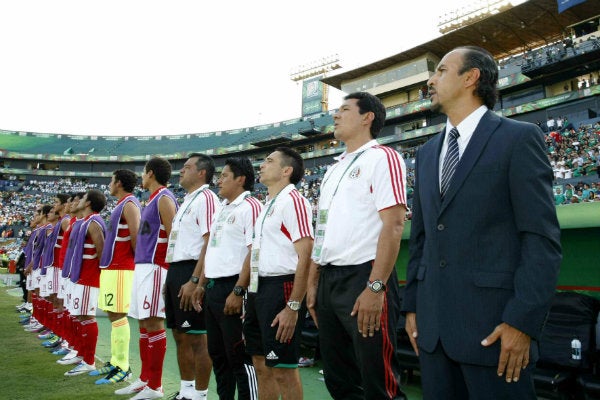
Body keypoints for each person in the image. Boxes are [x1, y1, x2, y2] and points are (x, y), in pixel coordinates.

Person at [402, 46, 562, 399]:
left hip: (496, 332)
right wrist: (412, 306)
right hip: (433, 334)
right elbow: (422, 240)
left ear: (471, 77)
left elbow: (541, 240)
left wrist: (522, 321)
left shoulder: (518, 138)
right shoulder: (426, 153)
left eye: (442, 70)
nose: (431, 79)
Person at [307, 92, 408, 400]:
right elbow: (321, 231)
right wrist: (313, 283)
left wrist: (376, 286)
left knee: (379, 381)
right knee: (339, 380)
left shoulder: (382, 157)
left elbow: (393, 223)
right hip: (328, 280)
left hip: (364, 278)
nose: (335, 115)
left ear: (368, 117)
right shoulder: (332, 170)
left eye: (345, 110)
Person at [243, 147, 313, 400]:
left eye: (269, 161)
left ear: (286, 170)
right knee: (261, 365)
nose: (262, 164)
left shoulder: (294, 201)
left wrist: (293, 306)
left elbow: (306, 253)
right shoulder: (267, 205)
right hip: (258, 288)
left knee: (283, 369)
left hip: (281, 288)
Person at [196, 157, 262, 399]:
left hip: (234, 288)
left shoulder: (250, 206)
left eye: (224, 175)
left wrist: (238, 290)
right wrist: (202, 284)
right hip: (214, 288)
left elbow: (253, 250)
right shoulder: (222, 209)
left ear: (240, 179)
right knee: (219, 356)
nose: (219, 180)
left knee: (240, 358)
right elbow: (212, 251)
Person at [116, 157, 177, 400]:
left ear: (150, 174)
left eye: (143, 172)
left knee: (153, 323)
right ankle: (144, 379)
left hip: (156, 267)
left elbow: (173, 235)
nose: (141, 177)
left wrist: (170, 270)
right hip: (143, 266)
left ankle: (156, 385)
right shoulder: (151, 199)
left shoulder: (164, 198)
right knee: (143, 324)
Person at [163, 153, 220, 400]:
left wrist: (196, 280)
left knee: (197, 337)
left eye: (187, 167)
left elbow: (209, 241)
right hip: (176, 270)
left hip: (191, 271)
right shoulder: (187, 200)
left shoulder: (207, 198)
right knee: (180, 334)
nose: (181, 171)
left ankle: (200, 394)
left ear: (202, 173)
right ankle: (186, 392)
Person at [93, 169, 141, 384]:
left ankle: (124, 366)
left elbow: (136, 235)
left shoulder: (130, 204)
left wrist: (135, 265)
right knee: (113, 314)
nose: (109, 184)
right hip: (113, 267)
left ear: (119, 183)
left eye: (112, 180)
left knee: (119, 315)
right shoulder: (121, 205)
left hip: (122, 267)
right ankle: (115, 361)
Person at [63, 189, 107, 376]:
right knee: (80, 316)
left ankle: (89, 361)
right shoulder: (85, 222)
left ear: (88, 203)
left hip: (88, 278)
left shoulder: (94, 222)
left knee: (87, 317)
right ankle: (81, 354)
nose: (78, 201)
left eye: (83, 199)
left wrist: (97, 274)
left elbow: (102, 250)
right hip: (79, 276)